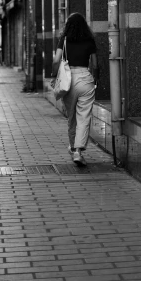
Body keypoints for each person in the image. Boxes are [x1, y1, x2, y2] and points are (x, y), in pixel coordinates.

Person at [51, 12, 99, 166]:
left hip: (68, 80)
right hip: (85, 79)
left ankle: (73, 148)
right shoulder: (90, 40)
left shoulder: (64, 40)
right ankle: (78, 150)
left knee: (71, 118)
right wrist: (96, 80)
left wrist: (53, 77)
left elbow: (56, 60)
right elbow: (96, 64)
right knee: (84, 117)